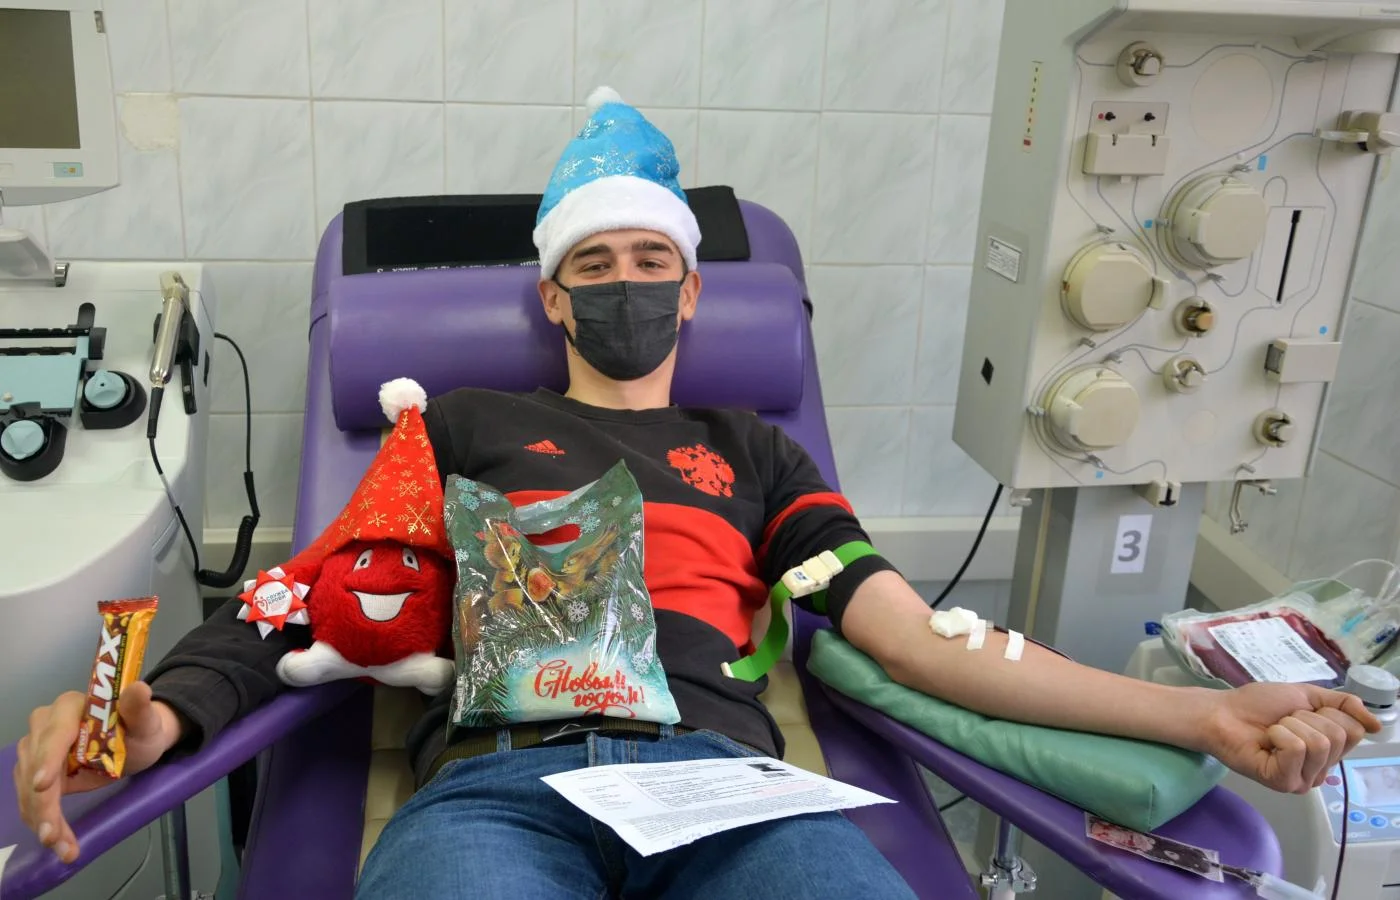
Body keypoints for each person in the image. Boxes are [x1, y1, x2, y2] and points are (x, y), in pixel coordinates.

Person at [14, 88, 1380, 899]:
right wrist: (157, 708)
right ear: (553, 297)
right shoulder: (467, 425)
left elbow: (918, 641)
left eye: (648, 262)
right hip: (497, 789)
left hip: (729, 790)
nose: (624, 285)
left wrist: (1201, 713)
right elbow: (312, 596)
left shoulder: (758, 453)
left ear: (692, 290)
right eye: (592, 266)